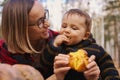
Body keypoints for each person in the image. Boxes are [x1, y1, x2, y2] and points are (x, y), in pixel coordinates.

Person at [44, 9, 120, 80]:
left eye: (74, 28)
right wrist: (53, 45)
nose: (66, 30)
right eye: (64, 26)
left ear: (85, 35)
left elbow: (109, 69)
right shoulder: (59, 48)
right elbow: (44, 64)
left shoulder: (96, 49)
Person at [0, 0, 58, 79]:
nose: (48, 24)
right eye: (40, 21)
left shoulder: (61, 41)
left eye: (45, 16)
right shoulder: (3, 56)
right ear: (20, 29)